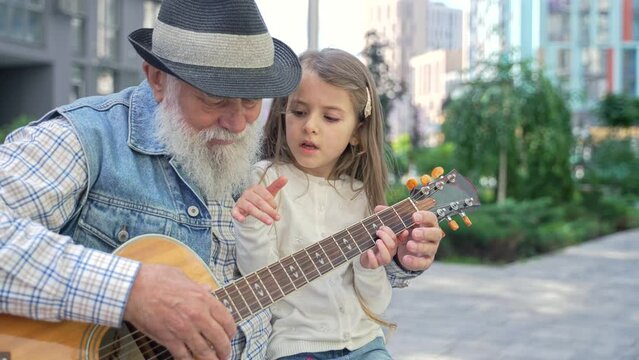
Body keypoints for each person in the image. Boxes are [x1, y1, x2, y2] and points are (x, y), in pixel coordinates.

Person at [0, 1, 443, 359]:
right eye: (213, 98)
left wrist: (394, 262)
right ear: (157, 78)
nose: (236, 123)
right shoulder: (86, 139)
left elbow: (313, 268)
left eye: (252, 102)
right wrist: (131, 290)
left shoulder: (258, 169)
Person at [231, 48, 410, 359]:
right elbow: (259, 286)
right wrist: (249, 223)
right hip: (297, 348)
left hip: (365, 345)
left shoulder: (361, 195)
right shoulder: (265, 180)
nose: (310, 126)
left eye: (330, 117)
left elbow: (377, 304)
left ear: (357, 132)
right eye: (299, 112)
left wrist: (369, 269)